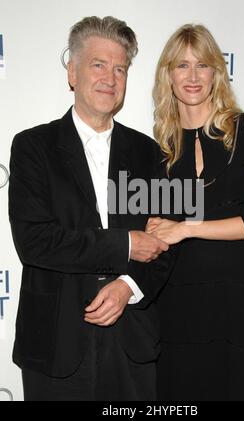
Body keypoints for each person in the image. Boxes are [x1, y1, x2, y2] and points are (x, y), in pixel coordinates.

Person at [9, 16, 175, 401]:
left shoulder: (151, 153)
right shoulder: (32, 147)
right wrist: (127, 246)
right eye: (98, 65)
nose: (110, 78)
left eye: (120, 68)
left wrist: (128, 285)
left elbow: (171, 241)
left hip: (132, 343)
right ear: (72, 72)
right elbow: (35, 241)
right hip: (55, 345)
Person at [146, 24, 244, 401]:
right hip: (178, 312)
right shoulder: (158, 155)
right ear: (167, 76)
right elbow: (155, 232)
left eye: (202, 65)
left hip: (239, 308)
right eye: (181, 66)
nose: (192, 77)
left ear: (216, 74)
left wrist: (186, 228)